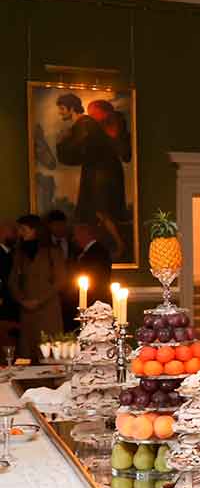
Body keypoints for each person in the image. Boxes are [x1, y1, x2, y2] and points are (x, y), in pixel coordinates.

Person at [54, 92, 129, 239]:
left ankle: (119, 244)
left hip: (101, 173)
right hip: (96, 172)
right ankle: (107, 243)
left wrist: (61, 142)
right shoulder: (82, 125)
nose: (60, 112)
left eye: (62, 108)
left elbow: (78, 152)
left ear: (71, 108)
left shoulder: (85, 124)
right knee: (94, 212)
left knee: (100, 210)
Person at [9, 215, 66, 361]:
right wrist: (22, 300)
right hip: (27, 310)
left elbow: (60, 280)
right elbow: (13, 281)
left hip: (48, 309)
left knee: (49, 351)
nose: (20, 233)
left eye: (23, 229)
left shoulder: (52, 251)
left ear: (35, 230)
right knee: (27, 352)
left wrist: (39, 300)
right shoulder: (19, 252)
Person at [71, 222, 113, 307]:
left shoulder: (97, 252)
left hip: (95, 299)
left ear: (85, 234)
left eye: (77, 235)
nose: (75, 238)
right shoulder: (89, 251)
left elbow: (95, 276)